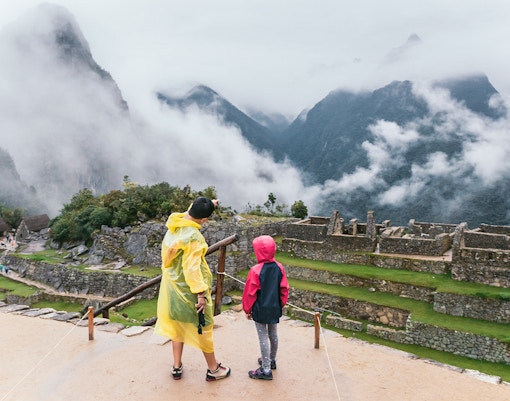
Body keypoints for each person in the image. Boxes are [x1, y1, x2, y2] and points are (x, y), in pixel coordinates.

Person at [155, 196, 231, 382]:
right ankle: (213, 369)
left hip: (173, 288)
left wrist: (211, 203)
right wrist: (200, 295)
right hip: (189, 291)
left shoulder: (175, 224)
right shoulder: (194, 237)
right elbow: (191, 269)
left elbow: (194, 209)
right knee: (203, 327)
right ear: (204, 220)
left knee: (176, 325)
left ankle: (176, 366)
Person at [242, 235, 290, 380]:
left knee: (263, 336)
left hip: (260, 309)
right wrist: (280, 305)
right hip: (274, 307)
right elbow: (284, 289)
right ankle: (271, 360)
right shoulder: (279, 267)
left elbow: (250, 293)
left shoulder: (256, 270)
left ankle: (266, 369)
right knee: (273, 334)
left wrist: (247, 309)